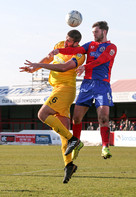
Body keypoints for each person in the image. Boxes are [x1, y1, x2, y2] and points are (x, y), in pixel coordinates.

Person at [20, 30, 85, 183]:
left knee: (42, 114)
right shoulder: (60, 45)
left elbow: (64, 67)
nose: (66, 42)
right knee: (63, 133)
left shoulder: (80, 54)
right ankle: (69, 165)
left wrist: (40, 65)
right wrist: (33, 68)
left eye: (69, 41)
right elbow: (49, 57)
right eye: (66, 39)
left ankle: (74, 140)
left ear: (76, 43)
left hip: (66, 89)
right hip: (57, 88)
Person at [50, 21, 117, 159]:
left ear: (104, 32)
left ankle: (105, 147)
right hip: (87, 85)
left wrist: (85, 67)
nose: (93, 34)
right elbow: (76, 50)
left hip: (102, 85)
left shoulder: (111, 47)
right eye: (92, 32)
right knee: (76, 118)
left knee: (103, 117)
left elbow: (102, 60)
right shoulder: (90, 45)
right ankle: (76, 144)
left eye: (96, 32)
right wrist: (59, 51)